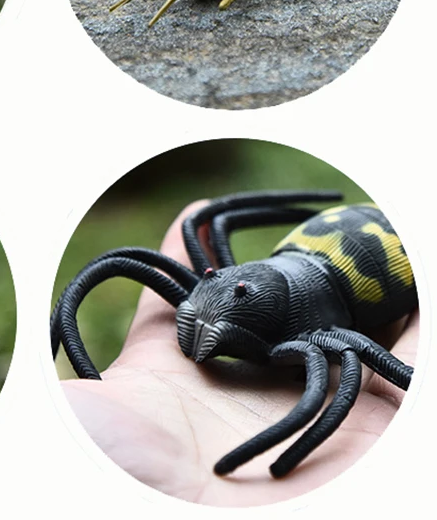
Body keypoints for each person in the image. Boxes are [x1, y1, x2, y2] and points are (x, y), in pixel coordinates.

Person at [60, 203, 418, 507]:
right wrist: (95, 385)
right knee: (123, 259)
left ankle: (276, 461)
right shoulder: (221, 287)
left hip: (365, 275)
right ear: (214, 276)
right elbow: (216, 222)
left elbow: (352, 371)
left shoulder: (317, 341)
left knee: (352, 363)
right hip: (313, 249)